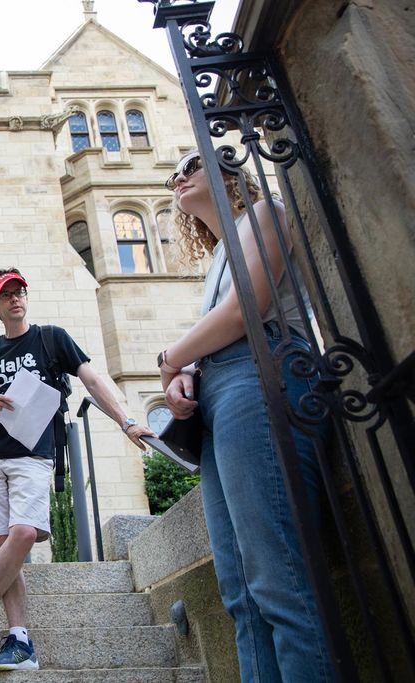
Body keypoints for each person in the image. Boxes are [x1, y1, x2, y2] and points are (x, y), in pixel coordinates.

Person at [158, 151, 332, 681]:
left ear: (229, 173)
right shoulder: (216, 258)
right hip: (220, 394)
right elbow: (221, 326)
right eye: (174, 175)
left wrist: (170, 359)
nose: (179, 176)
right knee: (240, 595)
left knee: (278, 580)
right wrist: (190, 371)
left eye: (190, 163)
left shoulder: (265, 213)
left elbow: (247, 307)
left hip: (261, 376)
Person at [0, 268, 154, 671]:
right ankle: (20, 642)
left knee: (25, 533)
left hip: (33, 454)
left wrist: (126, 420)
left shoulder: (52, 338)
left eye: (20, 291)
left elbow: (94, 381)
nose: (16, 298)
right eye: (6, 294)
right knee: (5, 552)